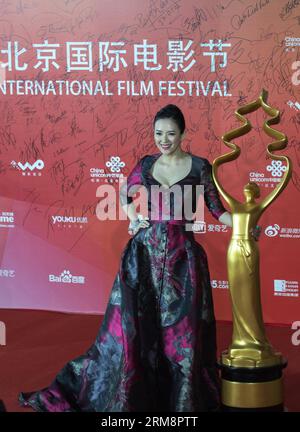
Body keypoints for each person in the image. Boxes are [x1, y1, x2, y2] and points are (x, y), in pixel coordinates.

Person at [19, 104, 232, 412]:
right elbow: (123, 194)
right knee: (138, 331)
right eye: (159, 133)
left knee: (181, 338)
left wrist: (243, 225)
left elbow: (218, 210)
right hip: (143, 255)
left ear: (183, 134)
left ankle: (181, 402)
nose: (164, 139)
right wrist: (134, 215)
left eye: (171, 133)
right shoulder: (146, 165)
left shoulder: (201, 167)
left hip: (183, 261)